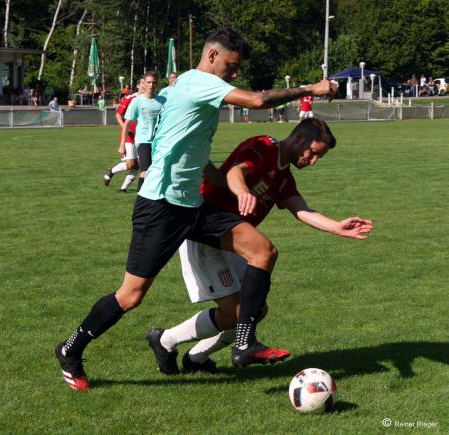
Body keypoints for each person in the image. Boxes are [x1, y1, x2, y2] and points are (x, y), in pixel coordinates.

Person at [55, 28, 337, 392]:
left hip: (193, 205)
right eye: (232, 67)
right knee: (131, 296)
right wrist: (311, 89)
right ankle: (70, 348)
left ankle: (245, 343)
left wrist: (232, 186)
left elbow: (195, 155)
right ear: (213, 57)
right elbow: (256, 100)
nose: (234, 75)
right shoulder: (199, 82)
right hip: (160, 205)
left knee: (263, 250)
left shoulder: (183, 90)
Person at [147, 119, 373, 374]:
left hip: (235, 242)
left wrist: (337, 227)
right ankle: (165, 340)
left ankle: (196, 357)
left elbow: (301, 209)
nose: (313, 162)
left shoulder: (283, 176)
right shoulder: (263, 146)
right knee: (235, 312)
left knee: (255, 309)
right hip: (207, 234)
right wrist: (243, 191)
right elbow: (235, 171)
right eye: (313, 154)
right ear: (299, 139)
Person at [120, 71, 166, 191]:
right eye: (149, 82)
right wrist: (122, 146)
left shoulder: (162, 101)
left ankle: (154, 196)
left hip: (159, 142)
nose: (151, 85)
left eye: (154, 82)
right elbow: (126, 125)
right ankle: (141, 196)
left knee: (158, 171)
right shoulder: (136, 101)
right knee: (145, 170)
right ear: (143, 84)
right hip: (143, 140)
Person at [103, 78, 145, 193]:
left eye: (145, 83)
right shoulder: (129, 98)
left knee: (140, 165)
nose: (144, 85)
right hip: (129, 137)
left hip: (143, 137)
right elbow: (118, 115)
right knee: (130, 164)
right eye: (141, 83)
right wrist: (124, 128)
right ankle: (111, 171)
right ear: (138, 86)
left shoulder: (150, 99)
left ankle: (123, 189)